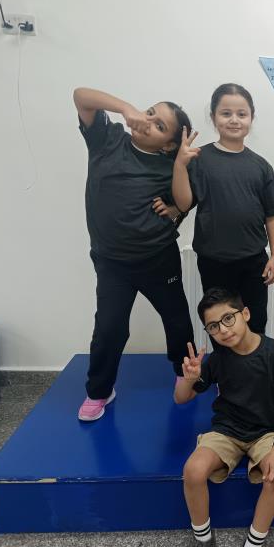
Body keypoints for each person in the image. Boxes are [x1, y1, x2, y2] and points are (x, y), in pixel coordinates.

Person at [73, 87, 195, 422]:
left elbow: (185, 202)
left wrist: (175, 195)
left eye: (160, 126)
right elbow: (81, 96)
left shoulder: (170, 164)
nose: (148, 121)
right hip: (112, 262)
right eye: (150, 112)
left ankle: (185, 373)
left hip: (158, 257)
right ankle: (100, 390)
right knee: (109, 327)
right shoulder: (107, 138)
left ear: (168, 145)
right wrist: (126, 108)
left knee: (177, 320)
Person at [174, 287, 274, 547]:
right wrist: (188, 379)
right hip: (226, 430)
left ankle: (255, 541)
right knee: (193, 470)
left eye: (228, 318)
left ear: (246, 314)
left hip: (265, 432)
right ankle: (204, 539)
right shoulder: (217, 359)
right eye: (213, 326)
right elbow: (181, 398)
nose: (223, 330)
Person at [172, 84, 274, 333]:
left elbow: (272, 216)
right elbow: (183, 204)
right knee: (220, 324)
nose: (234, 120)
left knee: (255, 323)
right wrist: (179, 165)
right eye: (226, 113)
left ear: (251, 118)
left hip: (253, 261)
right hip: (214, 261)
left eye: (241, 114)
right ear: (213, 117)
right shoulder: (199, 159)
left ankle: (254, 360)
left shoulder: (261, 166)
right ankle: (224, 360)